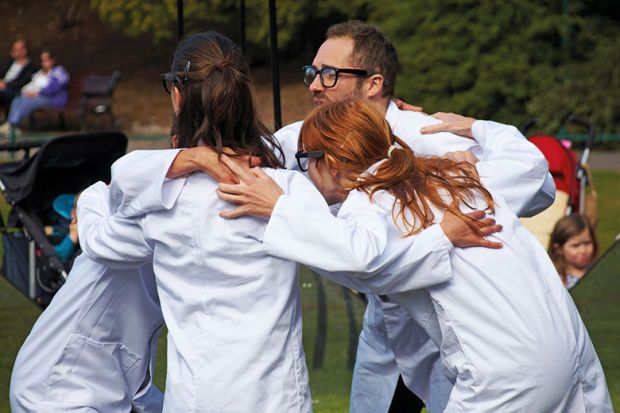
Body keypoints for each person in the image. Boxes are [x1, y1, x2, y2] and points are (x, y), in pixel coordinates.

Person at [100, 20, 556, 412]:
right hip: (373, 330)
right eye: (312, 72)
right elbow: (356, 252)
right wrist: (198, 157)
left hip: (458, 321)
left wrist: (457, 184)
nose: (314, 84)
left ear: (374, 83)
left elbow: (535, 183)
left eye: (329, 74)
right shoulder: (289, 161)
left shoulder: (424, 134)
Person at [217, 98, 613, 412]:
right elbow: (527, 163)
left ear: (332, 163)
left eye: (306, 162)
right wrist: (475, 127)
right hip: (569, 347)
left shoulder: (370, 200)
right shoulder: (451, 175)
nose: (305, 173)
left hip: (507, 371)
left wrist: (278, 206)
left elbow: (362, 257)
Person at [10, 189, 166, 412]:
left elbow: (137, 382)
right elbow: (104, 191)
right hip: (56, 393)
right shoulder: (106, 233)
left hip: (79, 385)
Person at [0, 49, 69, 137]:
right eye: (42, 61)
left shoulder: (59, 72)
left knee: (27, 102)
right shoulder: (40, 73)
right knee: (18, 99)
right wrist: (27, 92)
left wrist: (38, 93)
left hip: (52, 99)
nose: (43, 63)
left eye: (46, 60)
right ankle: (10, 123)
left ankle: (14, 124)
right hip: (39, 97)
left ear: (52, 60)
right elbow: (32, 85)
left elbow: (54, 88)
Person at [549, 214, 598, 289]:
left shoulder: (598, 270)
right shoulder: (557, 280)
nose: (583, 250)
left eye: (587, 243)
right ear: (559, 249)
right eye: (575, 245)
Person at [0, 37, 37, 111]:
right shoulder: (10, 62)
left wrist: (6, 85)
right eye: (14, 49)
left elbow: (23, 82)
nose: (15, 51)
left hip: (14, 90)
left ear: (25, 50)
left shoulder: (30, 66)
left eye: (18, 49)